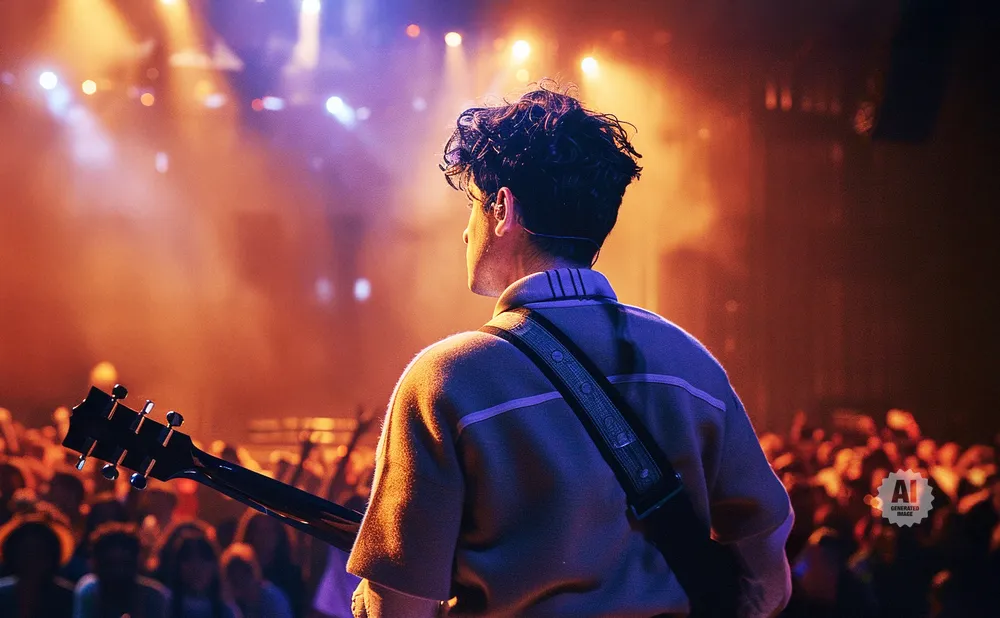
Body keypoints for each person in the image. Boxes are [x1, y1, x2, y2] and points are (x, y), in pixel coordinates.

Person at [345, 84, 793, 617]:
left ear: (503, 209)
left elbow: (402, 612)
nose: (465, 233)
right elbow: (768, 584)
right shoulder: (690, 365)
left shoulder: (447, 382)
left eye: (471, 206)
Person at [73, 522, 169, 618]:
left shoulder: (154, 597)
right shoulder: (89, 591)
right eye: (110, 565)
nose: (118, 572)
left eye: (125, 564)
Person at [0, 508, 76, 618]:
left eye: (39, 553)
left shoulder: (69, 598)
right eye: (25, 553)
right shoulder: (2, 595)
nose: (31, 561)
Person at [222, 542, 293, 618]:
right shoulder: (228, 606)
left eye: (245, 576)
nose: (242, 586)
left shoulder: (274, 599)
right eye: (235, 581)